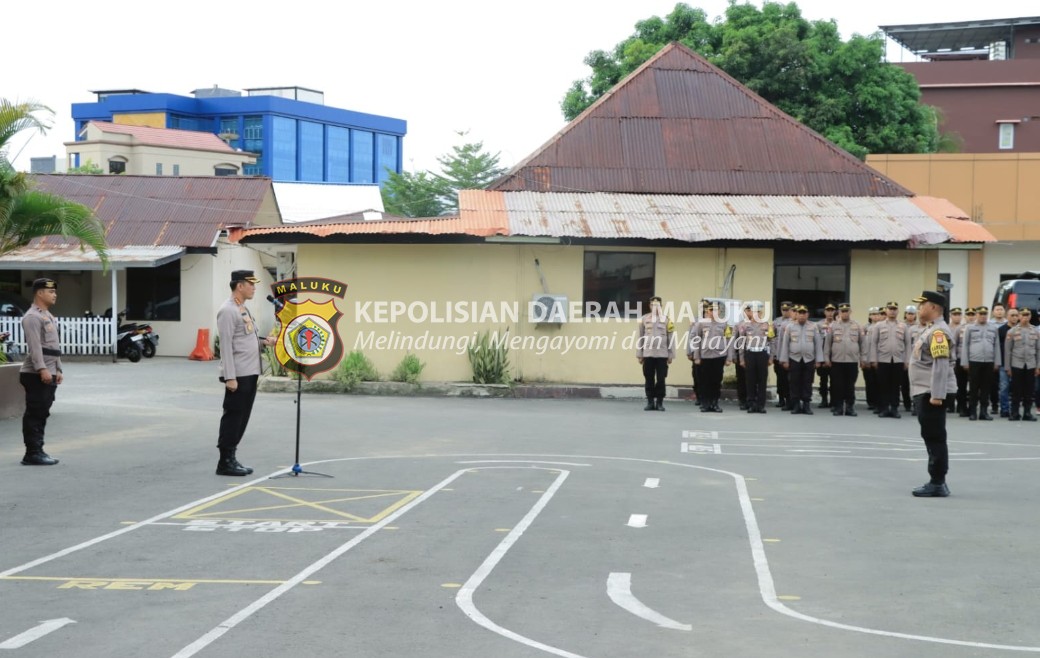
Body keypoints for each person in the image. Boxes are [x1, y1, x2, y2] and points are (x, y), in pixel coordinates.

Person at [216, 270, 277, 476]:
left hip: (250, 371)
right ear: (239, 286)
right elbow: (225, 345)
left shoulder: (242, 308)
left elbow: (245, 338)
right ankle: (225, 461)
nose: (254, 288)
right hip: (238, 374)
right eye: (250, 284)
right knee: (233, 416)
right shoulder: (228, 310)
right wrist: (229, 376)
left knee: (242, 417)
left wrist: (264, 341)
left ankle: (232, 457)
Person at [908, 291, 954, 497]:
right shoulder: (931, 330)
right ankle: (936, 479)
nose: (919, 309)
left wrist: (937, 395)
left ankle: (937, 481)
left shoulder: (938, 333)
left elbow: (941, 365)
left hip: (931, 393)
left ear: (933, 307)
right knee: (931, 436)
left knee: (935, 437)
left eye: (922, 305)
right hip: (925, 391)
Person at [18, 278, 63, 466]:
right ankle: (32, 453)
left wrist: (58, 368)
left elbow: (53, 346)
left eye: (54, 291)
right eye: (50, 291)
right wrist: (42, 369)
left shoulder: (48, 315)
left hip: (49, 370)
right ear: (39, 293)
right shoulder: (32, 317)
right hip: (35, 373)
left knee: (42, 412)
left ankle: (39, 449)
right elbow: (35, 347)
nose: (54, 295)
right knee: (35, 412)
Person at [778, 304, 823, 415]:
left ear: (807, 314)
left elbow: (818, 344)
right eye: (800, 313)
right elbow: (785, 345)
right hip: (794, 359)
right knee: (794, 382)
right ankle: (796, 405)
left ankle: (806, 405)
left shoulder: (814, 326)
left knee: (807, 382)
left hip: (809, 359)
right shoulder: (790, 327)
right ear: (796, 314)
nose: (802, 315)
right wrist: (784, 360)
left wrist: (818, 360)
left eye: (804, 313)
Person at [867, 301, 908, 419]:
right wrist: (873, 359)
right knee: (883, 385)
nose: (892, 311)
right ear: (886, 310)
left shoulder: (903, 326)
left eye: (895, 309)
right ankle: (884, 408)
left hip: (898, 360)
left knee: (896, 386)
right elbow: (874, 343)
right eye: (890, 309)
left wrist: (907, 361)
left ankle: (894, 409)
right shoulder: (879, 326)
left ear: (898, 311)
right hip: (882, 360)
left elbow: (908, 344)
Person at [960, 306, 1001, 421]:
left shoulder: (993, 328)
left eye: (985, 314)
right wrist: (965, 362)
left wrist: (997, 362)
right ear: (977, 315)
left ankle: (984, 412)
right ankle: (973, 412)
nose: (983, 316)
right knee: (973, 388)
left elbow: (996, 345)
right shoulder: (970, 328)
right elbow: (965, 346)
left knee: (986, 388)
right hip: (974, 361)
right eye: (981, 313)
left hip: (988, 361)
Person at [824, 303, 864, 416]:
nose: (845, 313)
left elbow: (862, 344)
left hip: (852, 361)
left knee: (850, 386)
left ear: (850, 312)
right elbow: (827, 344)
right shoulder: (832, 326)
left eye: (847, 311)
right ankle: (838, 407)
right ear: (839, 312)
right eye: (842, 311)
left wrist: (863, 359)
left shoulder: (857, 325)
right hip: (837, 361)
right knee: (837, 386)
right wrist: (826, 358)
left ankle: (850, 407)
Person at [692, 300, 732, 413]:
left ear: (719, 311)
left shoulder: (724, 324)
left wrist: (729, 358)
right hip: (705, 356)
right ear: (707, 311)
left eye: (715, 310)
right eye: (711, 310)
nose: (713, 312)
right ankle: (705, 404)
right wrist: (697, 357)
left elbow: (729, 341)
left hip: (719, 356)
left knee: (716, 381)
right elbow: (696, 340)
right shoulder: (701, 323)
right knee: (705, 381)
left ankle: (715, 403)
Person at [736, 301, 774, 414]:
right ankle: (751, 403)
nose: (755, 314)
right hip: (750, 354)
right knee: (750, 380)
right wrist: (741, 359)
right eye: (753, 311)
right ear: (750, 313)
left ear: (760, 312)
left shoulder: (767, 325)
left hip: (762, 354)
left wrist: (771, 357)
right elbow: (741, 343)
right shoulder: (744, 326)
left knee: (762, 380)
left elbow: (772, 342)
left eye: (757, 311)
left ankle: (761, 405)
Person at [637, 295, 674, 411]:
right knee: (649, 378)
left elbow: (671, 338)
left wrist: (671, 355)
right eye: (653, 305)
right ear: (649, 306)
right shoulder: (643, 319)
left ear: (661, 306)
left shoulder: (667, 320)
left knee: (661, 379)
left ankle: (659, 402)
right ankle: (650, 402)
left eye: (657, 305)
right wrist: (640, 354)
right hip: (648, 354)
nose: (655, 307)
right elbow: (640, 337)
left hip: (662, 354)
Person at [1004, 308, 1040, 421]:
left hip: (1031, 364)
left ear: (1030, 316)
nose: (1025, 317)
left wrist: (1038, 366)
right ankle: (1015, 413)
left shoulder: (1035, 331)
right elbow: (1008, 351)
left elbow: (1039, 350)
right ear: (1019, 316)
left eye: (1027, 315)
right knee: (1016, 390)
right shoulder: (1012, 331)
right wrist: (1008, 367)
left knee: (1029, 390)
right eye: (1023, 315)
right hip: (1016, 364)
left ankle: (1027, 413)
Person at [997, 307, 1019, 417]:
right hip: (1003, 363)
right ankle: (1004, 409)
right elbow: (997, 348)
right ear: (1007, 317)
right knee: (1004, 387)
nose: (1014, 317)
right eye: (1012, 315)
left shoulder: (1020, 329)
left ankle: (1015, 410)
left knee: (1016, 388)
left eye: (1016, 315)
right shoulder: (1001, 330)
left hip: (1017, 363)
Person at [773, 301, 794, 408]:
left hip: (791, 355)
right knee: (780, 379)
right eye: (783, 310)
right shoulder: (776, 322)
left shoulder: (794, 321)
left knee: (790, 379)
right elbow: (772, 338)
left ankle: (790, 400)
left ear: (791, 310)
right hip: (778, 354)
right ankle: (781, 399)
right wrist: (772, 355)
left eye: (787, 310)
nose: (785, 312)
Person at [900, 305, 920, 413]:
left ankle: (916, 404)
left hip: (916, 358)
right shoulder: (901, 326)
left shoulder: (919, 326)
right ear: (905, 314)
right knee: (904, 383)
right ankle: (907, 404)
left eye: (912, 314)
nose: (910, 315)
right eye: (908, 313)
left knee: (915, 383)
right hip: (903, 357)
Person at [816, 303, 836, 408]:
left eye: (832, 310)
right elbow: (817, 342)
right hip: (822, 356)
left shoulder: (837, 324)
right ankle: (824, 399)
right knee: (823, 380)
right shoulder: (818, 325)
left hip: (834, 356)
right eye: (828, 310)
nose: (830, 312)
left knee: (834, 380)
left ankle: (833, 401)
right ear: (825, 312)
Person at [862, 307, 881, 411]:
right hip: (867, 358)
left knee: (878, 382)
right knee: (869, 382)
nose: (875, 316)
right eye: (872, 314)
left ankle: (879, 402)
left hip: (879, 359)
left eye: (877, 314)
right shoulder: (864, 328)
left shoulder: (882, 327)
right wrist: (864, 359)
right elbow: (863, 345)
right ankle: (871, 402)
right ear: (869, 316)